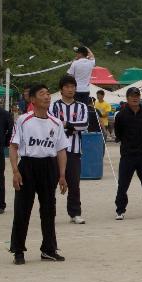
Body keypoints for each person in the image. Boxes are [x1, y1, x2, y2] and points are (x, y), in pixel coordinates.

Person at [8, 83, 69, 264]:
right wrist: (15, 171)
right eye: (42, 94)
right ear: (32, 99)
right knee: (22, 209)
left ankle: (49, 249)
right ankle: (18, 250)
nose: (47, 97)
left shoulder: (56, 122)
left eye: (48, 94)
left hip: (48, 166)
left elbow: (61, 150)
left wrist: (62, 175)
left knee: (49, 209)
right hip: (28, 166)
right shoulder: (23, 120)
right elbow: (13, 146)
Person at [112, 86, 142, 220]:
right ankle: (120, 210)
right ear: (127, 98)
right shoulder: (121, 115)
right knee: (123, 183)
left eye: (137, 96)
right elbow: (118, 133)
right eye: (132, 96)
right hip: (127, 154)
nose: (135, 98)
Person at [50, 75, 91, 225]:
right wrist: (71, 126)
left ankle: (75, 213)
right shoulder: (54, 105)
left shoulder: (82, 106)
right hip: (55, 150)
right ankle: (49, 212)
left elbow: (85, 124)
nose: (70, 89)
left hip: (74, 151)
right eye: (67, 86)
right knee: (51, 183)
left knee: (74, 183)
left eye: (72, 86)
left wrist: (66, 124)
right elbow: (53, 123)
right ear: (61, 89)